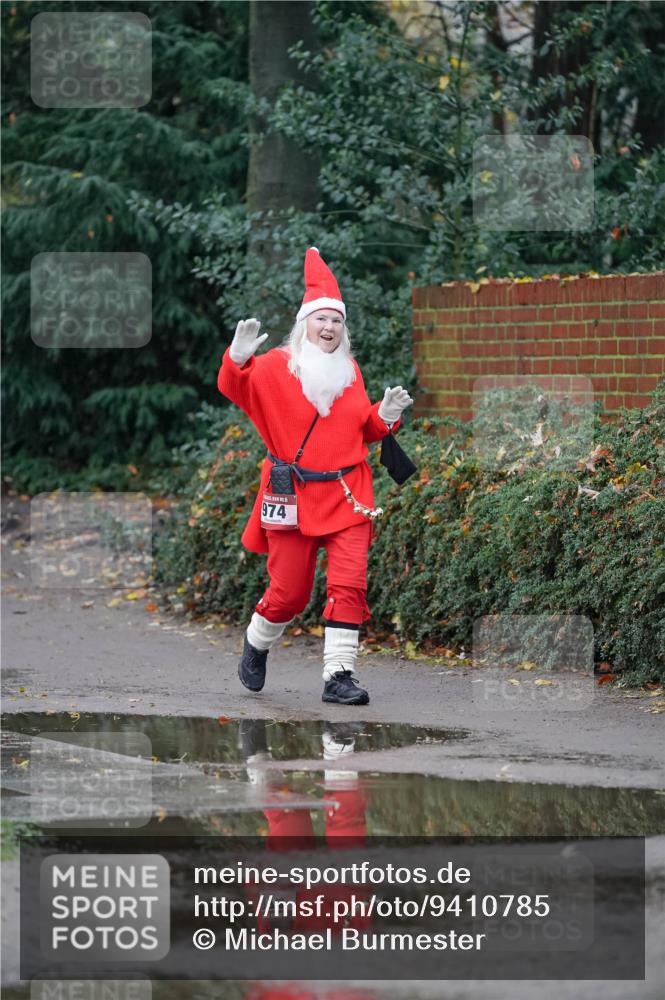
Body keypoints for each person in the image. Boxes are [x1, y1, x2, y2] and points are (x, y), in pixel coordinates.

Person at [217, 247, 413, 705]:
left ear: (344, 329)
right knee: (289, 592)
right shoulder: (271, 367)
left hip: (348, 492)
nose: (329, 328)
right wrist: (237, 357)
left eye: (337, 322)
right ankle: (258, 641)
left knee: (349, 583)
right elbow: (233, 386)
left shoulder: (351, 370)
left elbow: (359, 432)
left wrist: (384, 415)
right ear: (305, 323)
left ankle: (338, 675)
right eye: (321, 319)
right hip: (291, 494)